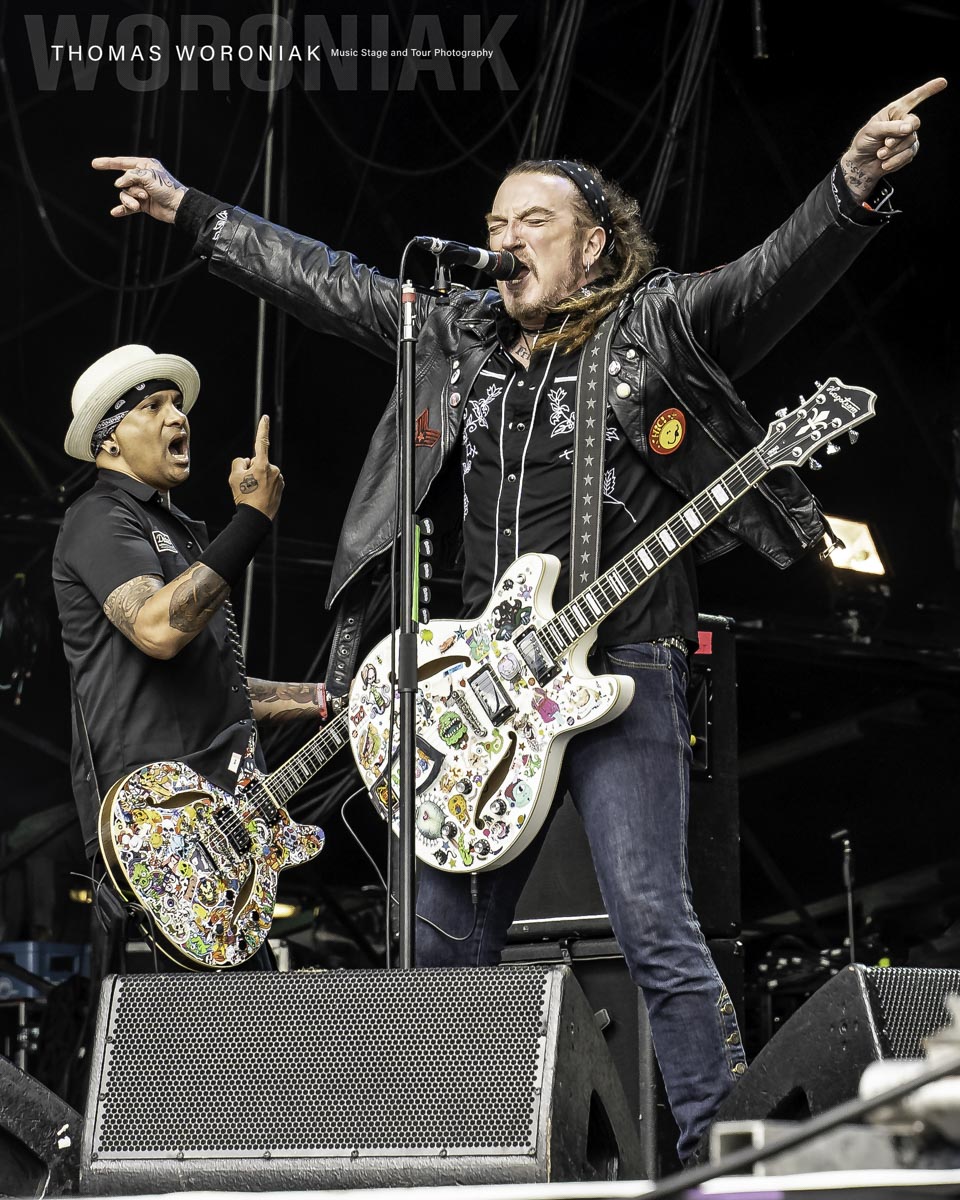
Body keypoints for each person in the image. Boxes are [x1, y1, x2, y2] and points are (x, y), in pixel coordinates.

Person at [90, 77, 945, 1160]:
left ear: (593, 247)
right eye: (495, 224)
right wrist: (191, 207)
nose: (505, 240)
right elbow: (323, 279)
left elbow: (768, 277)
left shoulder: (656, 321)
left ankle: (722, 1155)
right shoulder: (455, 335)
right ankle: (443, 1157)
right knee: (447, 953)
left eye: (533, 222)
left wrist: (852, 186)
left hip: (623, 666)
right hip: (480, 690)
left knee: (655, 926)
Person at [53, 344, 327, 969]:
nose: (178, 417)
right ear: (109, 439)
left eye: (177, 405)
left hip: (219, 829)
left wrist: (322, 702)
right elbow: (157, 629)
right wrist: (250, 520)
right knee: (186, 1031)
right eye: (153, 407)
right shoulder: (99, 516)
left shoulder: (179, 530)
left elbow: (215, 683)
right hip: (156, 837)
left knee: (247, 1027)